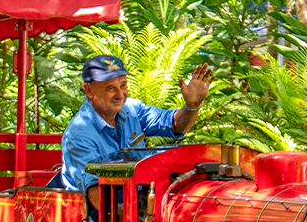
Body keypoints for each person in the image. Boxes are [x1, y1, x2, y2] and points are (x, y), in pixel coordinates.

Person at [60, 55, 212, 208]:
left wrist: (192, 106)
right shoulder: (79, 133)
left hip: (137, 201)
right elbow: (96, 194)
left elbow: (176, 124)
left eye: (123, 86)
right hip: (95, 217)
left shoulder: (132, 109)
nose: (120, 95)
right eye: (111, 88)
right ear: (89, 91)